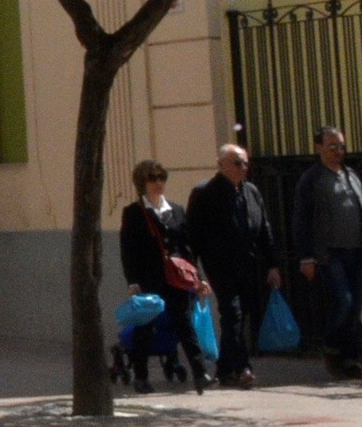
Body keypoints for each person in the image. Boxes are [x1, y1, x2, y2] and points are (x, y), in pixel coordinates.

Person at [291, 127, 362, 379]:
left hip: (357, 251)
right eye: (332, 147)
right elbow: (302, 219)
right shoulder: (312, 179)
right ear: (319, 147)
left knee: (355, 309)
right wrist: (306, 256)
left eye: (341, 147)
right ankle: (331, 350)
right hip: (329, 254)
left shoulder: (351, 175)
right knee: (343, 302)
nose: (337, 152)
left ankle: (350, 361)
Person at [186, 145, 281, 387]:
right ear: (221, 164)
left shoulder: (251, 191)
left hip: (248, 263)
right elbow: (193, 235)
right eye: (237, 163)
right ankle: (243, 367)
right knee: (232, 312)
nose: (243, 168)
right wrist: (193, 271)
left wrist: (272, 263)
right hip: (219, 264)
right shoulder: (205, 192)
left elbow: (264, 229)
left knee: (240, 316)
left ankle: (225, 369)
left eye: (246, 163)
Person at [118, 160, 209, 394]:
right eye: (152, 179)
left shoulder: (176, 210)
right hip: (150, 279)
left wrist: (197, 278)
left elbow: (187, 247)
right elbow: (128, 250)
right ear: (142, 183)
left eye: (162, 177)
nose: (159, 183)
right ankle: (141, 376)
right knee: (145, 327)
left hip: (176, 279)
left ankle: (200, 373)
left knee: (184, 324)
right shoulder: (134, 213)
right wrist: (133, 282)